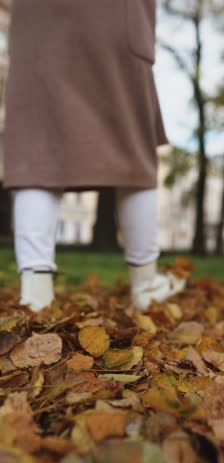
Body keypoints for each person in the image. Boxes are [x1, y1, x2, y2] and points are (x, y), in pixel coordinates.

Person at [4, 0, 185, 312]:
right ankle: (146, 283)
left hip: (35, 16)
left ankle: (35, 293)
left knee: (35, 150)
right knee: (133, 148)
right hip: (114, 14)